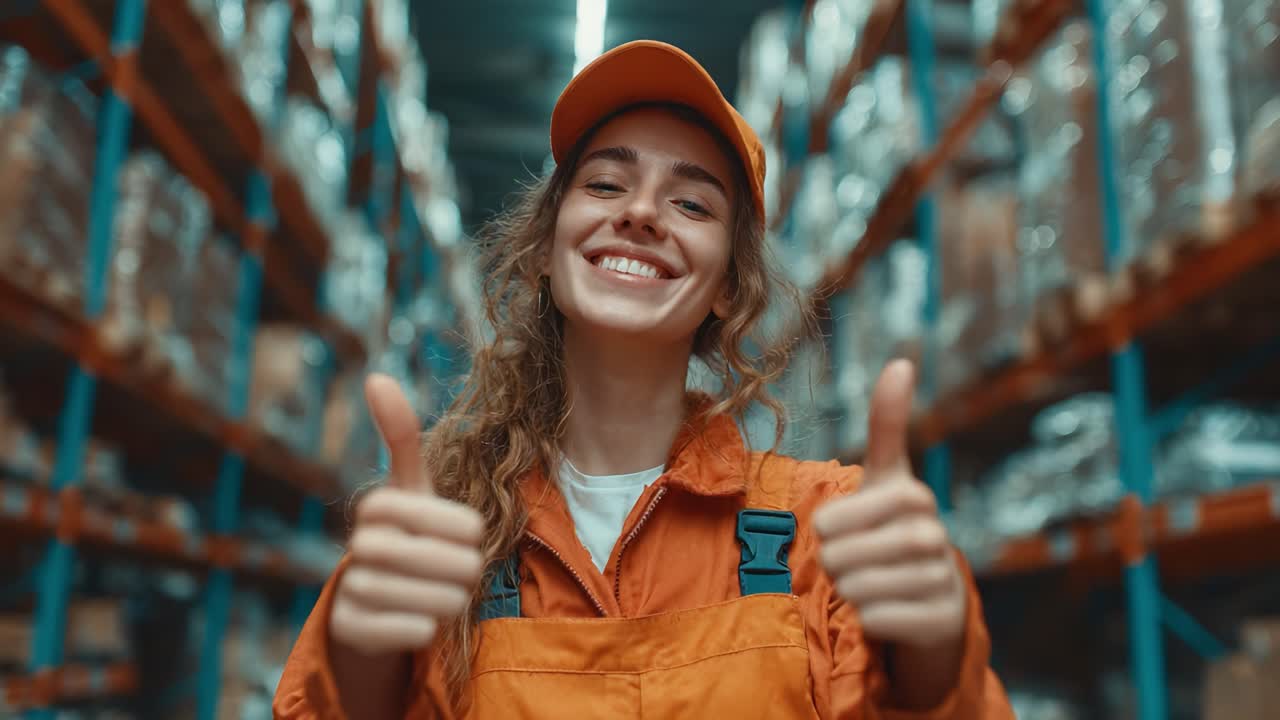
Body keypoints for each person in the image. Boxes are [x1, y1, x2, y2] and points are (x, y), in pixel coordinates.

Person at [275, 40, 1013, 719]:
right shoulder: (442, 531)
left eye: (692, 203)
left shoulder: (824, 528)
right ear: (543, 248)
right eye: (604, 184)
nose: (640, 212)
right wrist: (363, 665)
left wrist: (933, 662)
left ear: (729, 287)